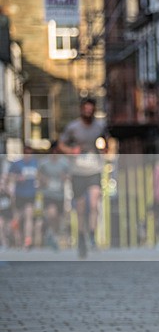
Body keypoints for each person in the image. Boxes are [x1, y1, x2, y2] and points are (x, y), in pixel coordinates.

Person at [58, 97, 108, 258]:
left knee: (94, 203)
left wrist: (105, 150)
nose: (88, 112)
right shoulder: (73, 127)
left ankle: (92, 236)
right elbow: (61, 144)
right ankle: (81, 238)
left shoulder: (100, 126)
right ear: (81, 110)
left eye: (91, 109)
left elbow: (107, 142)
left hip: (94, 168)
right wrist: (71, 151)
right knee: (80, 208)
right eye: (85, 109)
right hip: (77, 170)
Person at [38, 146, 70, 250]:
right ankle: (50, 233)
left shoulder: (64, 163)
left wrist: (64, 177)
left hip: (60, 194)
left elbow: (69, 176)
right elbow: (38, 175)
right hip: (48, 193)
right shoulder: (44, 163)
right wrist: (43, 180)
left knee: (58, 218)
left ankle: (53, 234)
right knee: (52, 214)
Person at [7, 145, 39, 249]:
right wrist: (17, 178)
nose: (28, 155)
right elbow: (9, 176)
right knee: (18, 218)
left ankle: (27, 240)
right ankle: (17, 239)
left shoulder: (35, 163)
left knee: (29, 216)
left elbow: (40, 175)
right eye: (26, 152)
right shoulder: (17, 163)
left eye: (30, 153)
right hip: (19, 193)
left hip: (31, 193)